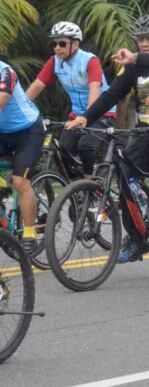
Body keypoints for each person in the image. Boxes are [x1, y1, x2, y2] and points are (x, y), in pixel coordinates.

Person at [66, 14, 149, 263]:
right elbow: (111, 95)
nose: (144, 44)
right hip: (146, 128)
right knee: (124, 171)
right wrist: (86, 118)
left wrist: (135, 57)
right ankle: (136, 240)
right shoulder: (134, 68)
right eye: (140, 40)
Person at [26, 22, 115, 177]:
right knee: (63, 150)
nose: (57, 48)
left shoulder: (89, 60)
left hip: (100, 111)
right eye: (54, 44)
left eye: (62, 43)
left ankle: (89, 186)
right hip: (76, 113)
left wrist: (86, 116)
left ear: (75, 43)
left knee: (85, 146)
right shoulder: (55, 62)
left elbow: (94, 89)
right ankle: (74, 188)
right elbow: (37, 86)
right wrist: (21, 107)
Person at [0, 61, 44, 253]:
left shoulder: (5, 71)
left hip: (28, 131)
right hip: (3, 132)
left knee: (20, 181)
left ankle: (29, 234)